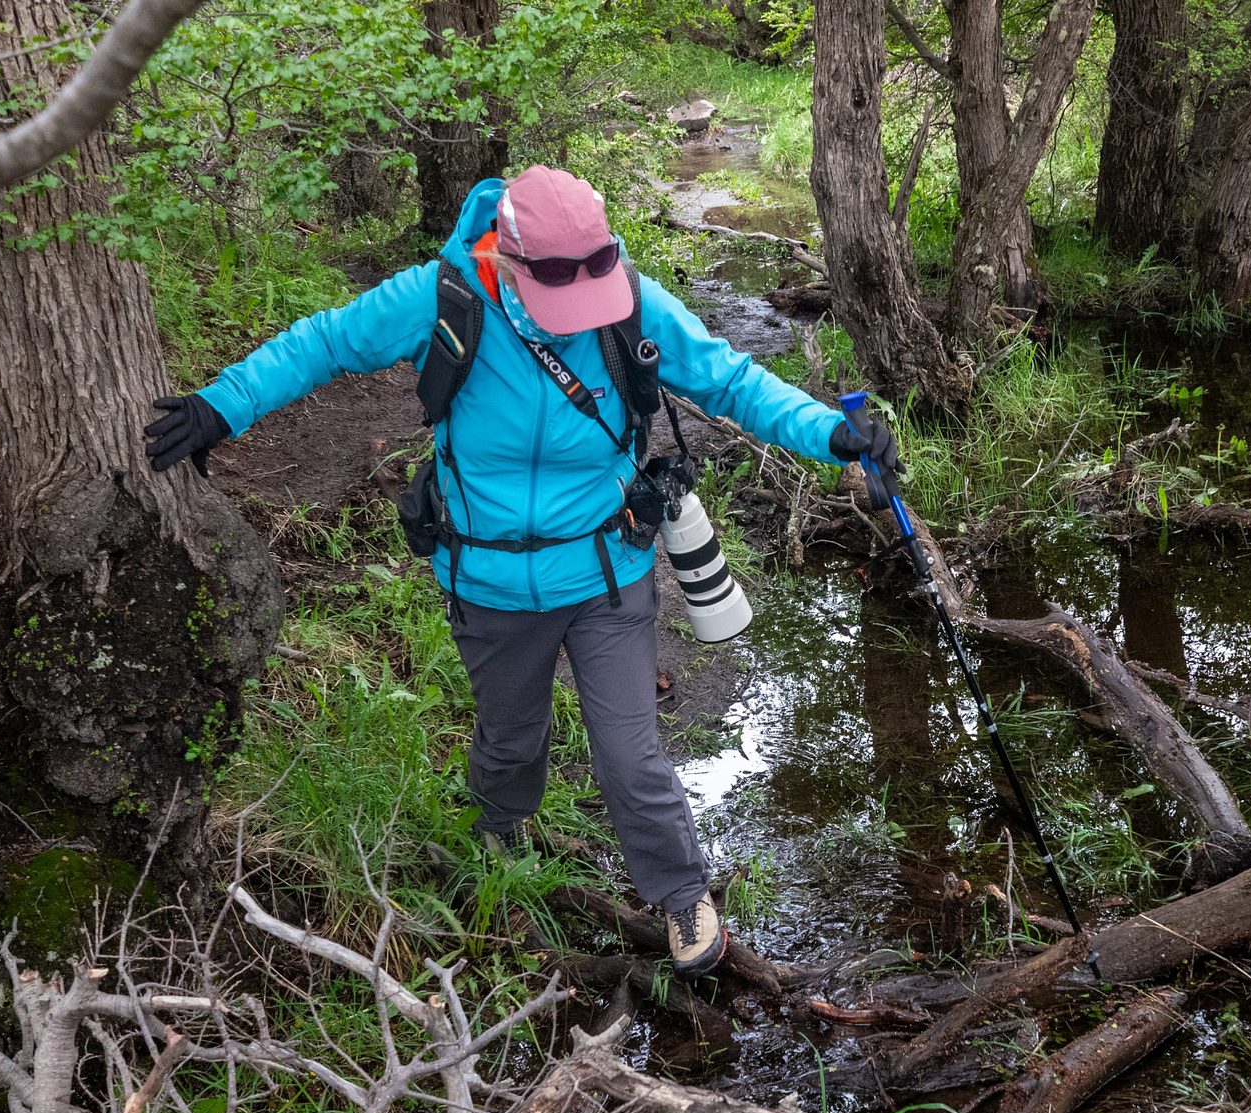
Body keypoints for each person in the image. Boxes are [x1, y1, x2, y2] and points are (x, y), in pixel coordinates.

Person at [143, 166, 897, 979]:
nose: (583, 316)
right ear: (509, 261)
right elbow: (326, 342)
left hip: (608, 570)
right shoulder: (446, 297)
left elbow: (732, 380)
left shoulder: (633, 304)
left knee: (631, 754)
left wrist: (832, 433)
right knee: (510, 737)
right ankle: (500, 836)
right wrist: (223, 406)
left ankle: (681, 893)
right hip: (489, 583)